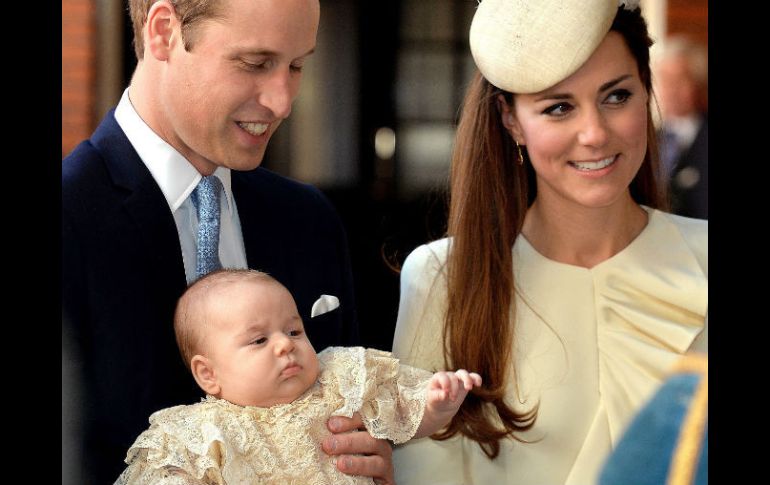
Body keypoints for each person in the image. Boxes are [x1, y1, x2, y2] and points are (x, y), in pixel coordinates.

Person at [62, 1, 391, 483]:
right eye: (255, 63)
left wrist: (369, 459)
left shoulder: (310, 221)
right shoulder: (69, 219)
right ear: (163, 32)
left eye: (297, 65)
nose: (283, 101)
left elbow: (354, 408)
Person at [391, 1, 708, 484]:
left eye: (617, 96)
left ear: (646, 90)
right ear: (511, 119)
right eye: (559, 107)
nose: (594, 134)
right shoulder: (441, 276)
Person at [114, 269, 482, 484]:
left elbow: (404, 415)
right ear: (208, 374)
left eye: (293, 331)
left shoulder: (339, 379)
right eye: (259, 340)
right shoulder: (200, 431)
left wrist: (437, 403)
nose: (284, 346)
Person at [654, 35, 708, 219]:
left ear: (698, 83)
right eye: (665, 80)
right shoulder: (645, 139)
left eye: (680, 80)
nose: (671, 89)